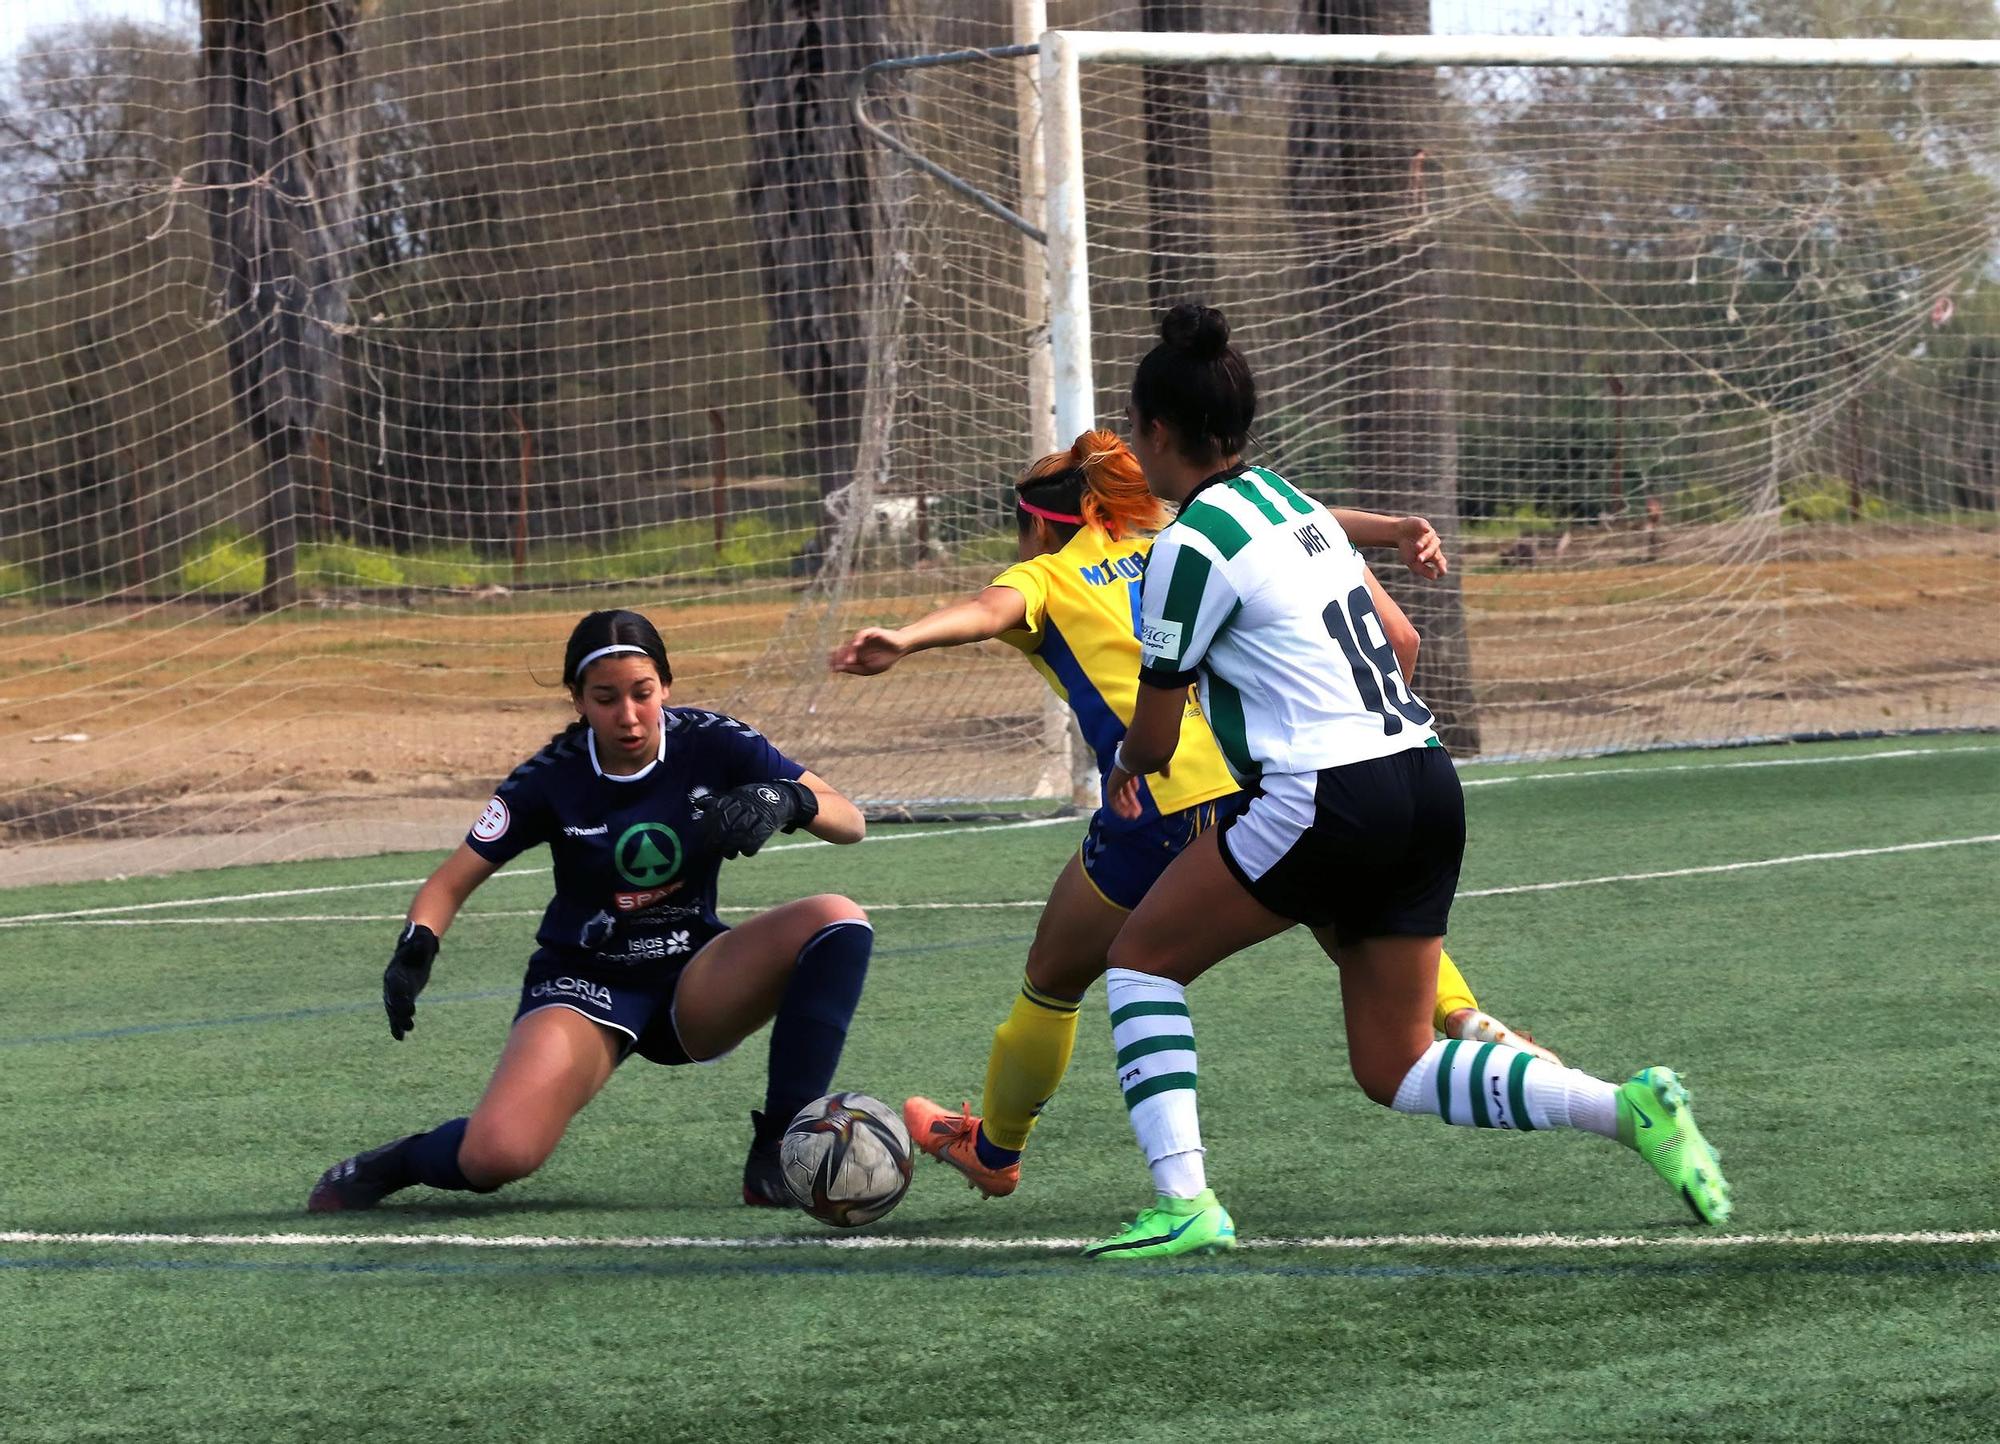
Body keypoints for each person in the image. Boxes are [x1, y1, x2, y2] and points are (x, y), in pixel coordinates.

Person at [1085, 301, 1732, 1259]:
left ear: (1154, 434)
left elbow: (1156, 724)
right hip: (1426, 780)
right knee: (1395, 1064)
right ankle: (1625, 1108)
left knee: (1141, 963)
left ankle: (1186, 1201)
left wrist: (1125, 770)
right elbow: (1403, 639)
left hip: (1327, 795)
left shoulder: (1189, 547)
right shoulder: (1292, 506)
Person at [828, 430, 1556, 1203]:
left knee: (1055, 976)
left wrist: (903, 639)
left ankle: (998, 1151)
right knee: (1360, 932)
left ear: (1039, 525)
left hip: (1157, 804)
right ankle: (1465, 1019)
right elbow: (1313, 527)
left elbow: (983, 610)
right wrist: (1392, 527)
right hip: (1271, 784)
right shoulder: (1180, 543)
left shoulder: (1044, 576)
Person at [307, 608, 873, 1212]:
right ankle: (396, 1162)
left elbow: (850, 820)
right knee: (498, 1155)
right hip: (586, 984)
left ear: (667, 687)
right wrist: (415, 949)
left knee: (837, 920)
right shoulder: (549, 779)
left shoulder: (714, 740)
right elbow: (449, 882)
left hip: (693, 979)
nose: (628, 716)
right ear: (577, 700)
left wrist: (786, 798)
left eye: (642, 694)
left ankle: (779, 1153)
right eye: (605, 698)